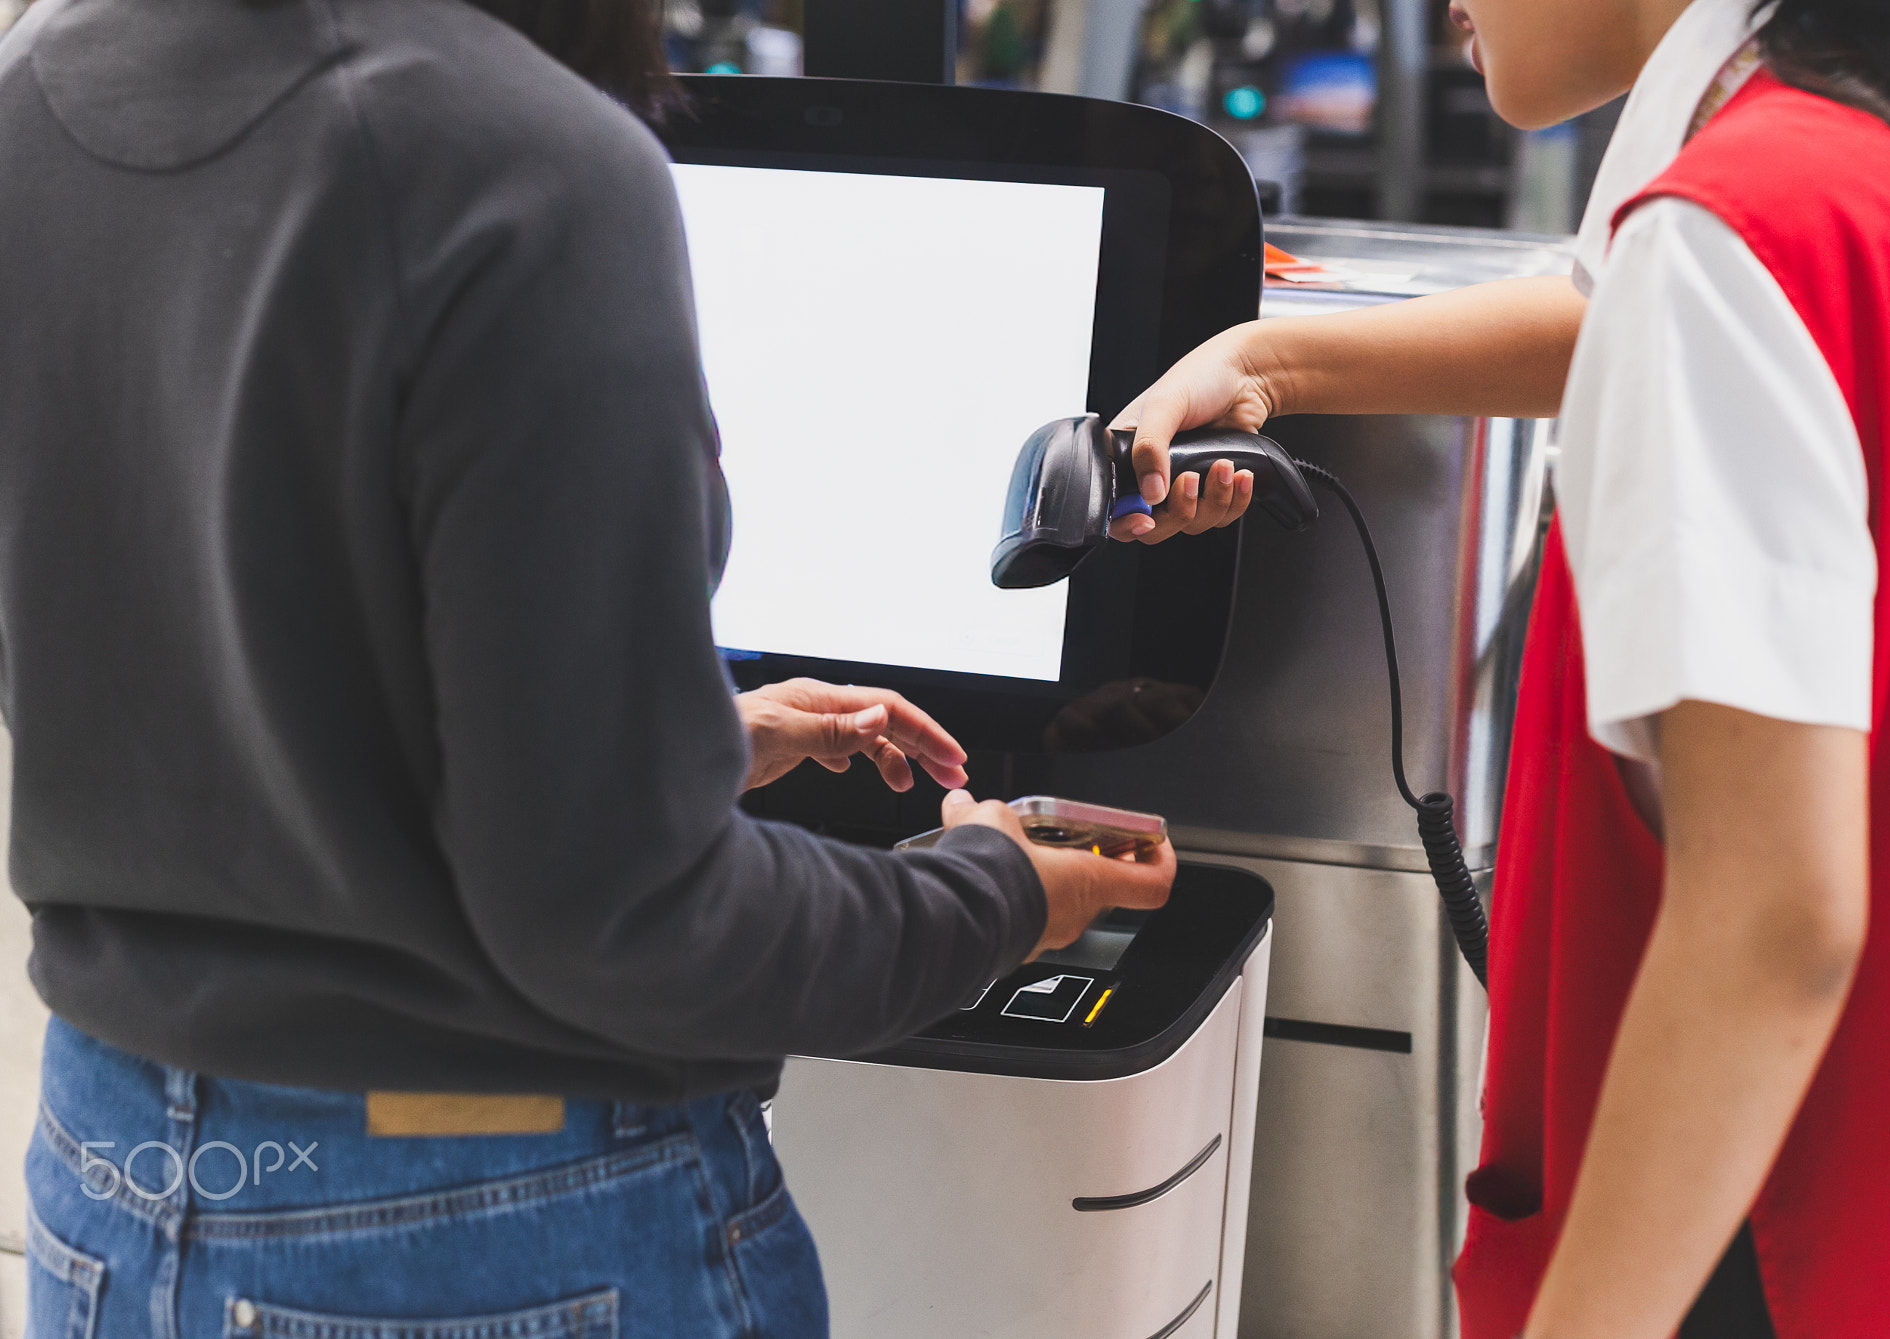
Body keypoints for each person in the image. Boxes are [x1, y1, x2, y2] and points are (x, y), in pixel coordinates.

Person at [0, 0, 1173, 1333]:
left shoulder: (33, 85)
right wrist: (992, 894)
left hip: (113, 1185)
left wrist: (679, 742)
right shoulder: (525, 161)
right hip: (495, 1216)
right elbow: (626, 920)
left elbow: (203, 714)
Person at [1116, 0, 1890, 1334]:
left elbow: (1772, 925)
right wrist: (1273, 356)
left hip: (1775, 1247)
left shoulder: (1724, 240)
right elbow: (1629, 319)